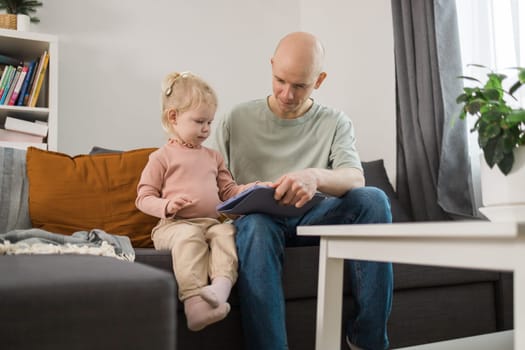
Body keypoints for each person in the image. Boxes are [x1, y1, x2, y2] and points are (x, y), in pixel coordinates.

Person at [213, 32, 394, 350]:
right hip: (258, 221)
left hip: (315, 217)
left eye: (300, 86)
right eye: (280, 80)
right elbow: (214, 189)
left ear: (320, 80)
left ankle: (367, 341)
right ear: (271, 66)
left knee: (374, 200)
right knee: (255, 225)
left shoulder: (335, 121)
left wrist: (314, 177)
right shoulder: (235, 120)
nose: (286, 94)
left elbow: (354, 178)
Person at [136, 71, 259, 332]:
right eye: (199, 121)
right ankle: (194, 304)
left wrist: (253, 189)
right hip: (173, 226)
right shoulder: (161, 157)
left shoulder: (213, 157)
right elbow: (143, 198)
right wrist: (167, 206)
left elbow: (228, 191)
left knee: (228, 232)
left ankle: (220, 288)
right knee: (189, 236)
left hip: (211, 222)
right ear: (173, 117)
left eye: (209, 122)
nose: (206, 129)